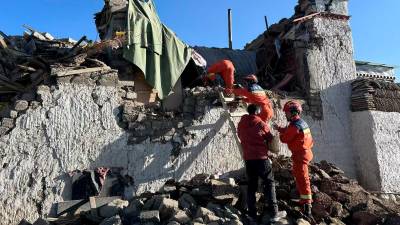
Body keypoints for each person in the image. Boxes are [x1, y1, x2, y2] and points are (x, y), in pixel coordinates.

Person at [238, 104, 286, 223]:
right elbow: (270, 139)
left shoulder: (242, 123)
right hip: (261, 158)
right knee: (269, 183)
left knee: (252, 186)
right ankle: (274, 212)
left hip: (248, 159)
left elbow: (240, 135)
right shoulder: (261, 124)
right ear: (258, 112)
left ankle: (252, 215)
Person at [274, 100, 314, 217]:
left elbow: (285, 138)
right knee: (299, 176)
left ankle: (307, 207)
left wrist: (280, 134)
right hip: (304, 153)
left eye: (286, 113)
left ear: (292, 113)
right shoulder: (300, 123)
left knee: (303, 179)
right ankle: (304, 200)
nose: (285, 115)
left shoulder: (294, 126)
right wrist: (280, 128)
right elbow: (291, 131)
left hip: (300, 155)